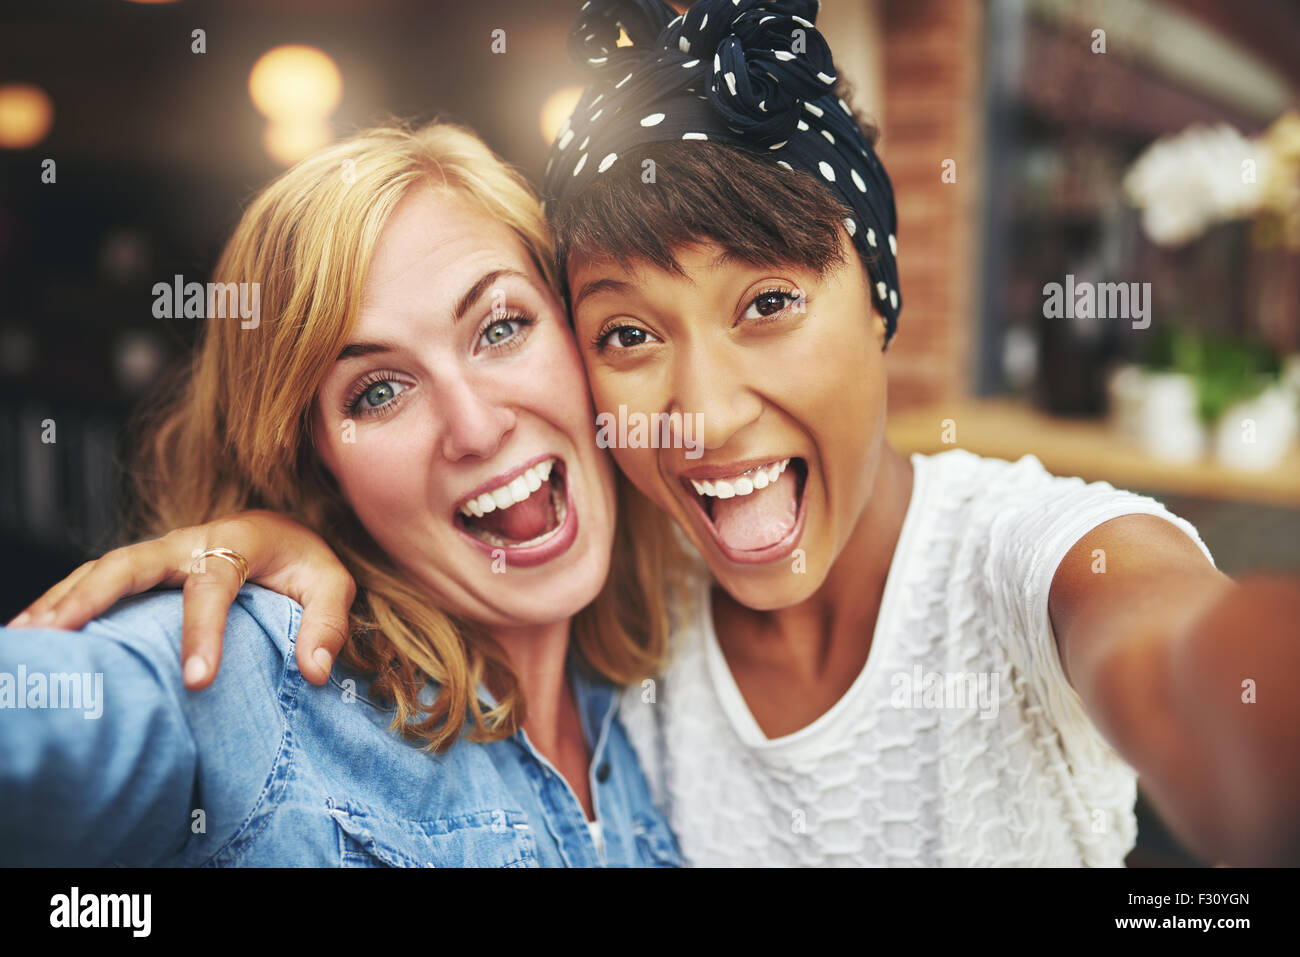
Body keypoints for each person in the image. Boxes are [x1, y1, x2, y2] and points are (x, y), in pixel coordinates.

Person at [14, 0, 1300, 866]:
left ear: (883, 303)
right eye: (628, 334)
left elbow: (1185, 659)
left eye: (772, 302)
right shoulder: (279, 670)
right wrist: (280, 534)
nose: (705, 405)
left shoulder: (1007, 563)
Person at [0, 120, 683, 867]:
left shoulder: (664, 683)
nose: (477, 427)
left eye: (502, 326)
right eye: (379, 390)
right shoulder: (245, 670)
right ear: (316, 467)